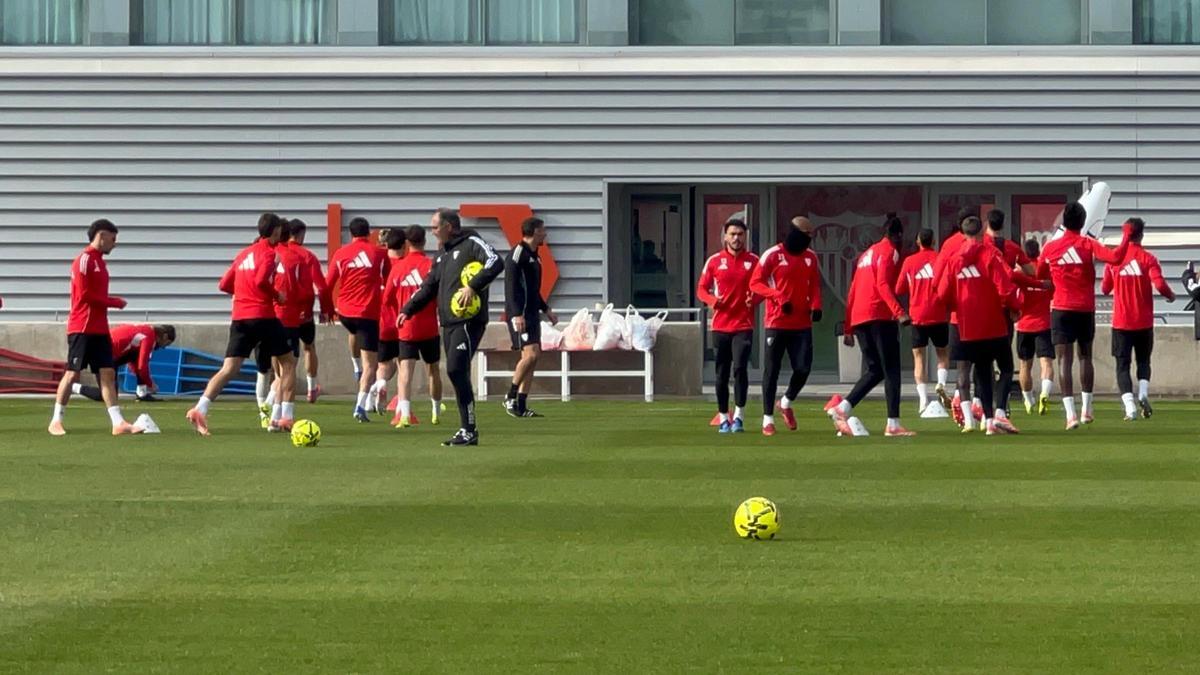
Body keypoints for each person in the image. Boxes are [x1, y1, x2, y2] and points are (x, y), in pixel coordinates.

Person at [186, 213, 296, 436]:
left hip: (240, 317)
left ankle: (200, 408)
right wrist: (277, 296)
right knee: (288, 363)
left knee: (229, 368)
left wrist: (242, 294)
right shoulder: (269, 253)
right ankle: (285, 416)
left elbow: (224, 285)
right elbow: (261, 281)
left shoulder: (243, 254)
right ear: (275, 231)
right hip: (262, 315)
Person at [399, 208, 502, 446]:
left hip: (468, 320)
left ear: (449, 226)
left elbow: (496, 262)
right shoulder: (441, 254)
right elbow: (429, 286)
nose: (432, 232)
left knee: (456, 369)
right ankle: (468, 430)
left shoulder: (472, 243)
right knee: (456, 372)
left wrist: (473, 286)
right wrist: (408, 309)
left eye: (435, 227)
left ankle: (469, 429)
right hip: (448, 323)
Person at [1039, 202, 1133, 430]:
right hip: (1084, 308)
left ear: (1063, 222)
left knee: (1064, 360)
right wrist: (1126, 235)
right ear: (1082, 222)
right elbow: (1116, 258)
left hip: (1061, 307)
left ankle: (1070, 415)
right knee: (1085, 357)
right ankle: (1087, 410)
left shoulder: (1051, 247)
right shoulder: (1088, 244)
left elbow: (1041, 272)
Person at [48, 219, 143, 436]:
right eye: (113, 238)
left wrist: (110, 302)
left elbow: (96, 295)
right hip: (82, 327)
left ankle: (118, 423)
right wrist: (113, 302)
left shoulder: (100, 263)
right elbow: (85, 296)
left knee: (107, 373)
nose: (115, 243)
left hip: (100, 328)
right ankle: (56, 420)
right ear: (101, 235)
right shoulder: (83, 261)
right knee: (72, 374)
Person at [825, 215, 914, 437]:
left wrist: (848, 327)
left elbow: (853, 291)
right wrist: (899, 312)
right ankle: (893, 424)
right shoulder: (889, 252)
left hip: (860, 317)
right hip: (879, 316)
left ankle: (842, 408)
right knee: (892, 369)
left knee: (875, 370)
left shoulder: (866, 255)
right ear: (898, 235)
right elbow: (882, 284)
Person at [936, 216, 1021, 435]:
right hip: (993, 323)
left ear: (962, 234)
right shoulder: (990, 255)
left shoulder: (954, 259)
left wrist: (957, 305)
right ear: (982, 232)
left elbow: (943, 292)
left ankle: (978, 421)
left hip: (966, 324)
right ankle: (995, 416)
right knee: (1002, 369)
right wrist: (1015, 306)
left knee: (972, 371)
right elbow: (1005, 287)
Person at [749, 216, 821, 436]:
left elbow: (815, 285)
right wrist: (779, 297)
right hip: (777, 321)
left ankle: (786, 402)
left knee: (803, 368)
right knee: (772, 370)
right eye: (804, 237)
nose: (807, 242)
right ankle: (767, 419)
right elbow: (755, 283)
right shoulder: (773, 255)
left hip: (801, 323)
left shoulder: (810, 257)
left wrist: (816, 305)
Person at [1100, 217, 1175, 421]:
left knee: (1122, 365)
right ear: (1142, 235)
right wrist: (1171, 296)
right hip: (1143, 322)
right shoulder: (1148, 259)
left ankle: (1129, 406)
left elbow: (1105, 288)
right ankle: (1142, 393)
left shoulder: (1114, 259)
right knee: (1143, 360)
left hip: (1121, 322)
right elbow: (1159, 285)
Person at [696, 218, 759, 433]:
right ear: (725, 237)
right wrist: (713, 301)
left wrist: (755, 300)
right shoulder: (714, 261)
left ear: (745, 237)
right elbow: (701, 290)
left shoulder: (754, 261)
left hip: (743, 325)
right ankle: (724, 417)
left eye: (740, 234)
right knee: (721, 373)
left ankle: (739, 416)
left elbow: (764, 287)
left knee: (740, 368)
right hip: (721, 327)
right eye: (732, 234)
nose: (736, 238)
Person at [326, 216, 390, 422]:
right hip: (366, 313)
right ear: (368, 232)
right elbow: (389, 281)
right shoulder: (379, 254)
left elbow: (328, 284)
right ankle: (360, 406)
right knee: (371, 365)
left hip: (344, 312)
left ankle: (355, 366)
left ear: (351, 233)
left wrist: (326, 308)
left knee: (354, 333)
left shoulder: (340, 253)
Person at [389, 225, 445, 427]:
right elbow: (440, 297)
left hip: (407, 328)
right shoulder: (431, 266)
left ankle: (404, 414)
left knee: (405, 371)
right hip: (429, 326)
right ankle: (436, 411)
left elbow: (387, 298)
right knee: (433, 370)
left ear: (406, 243)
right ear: (424, 241)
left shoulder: (398, 268)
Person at [503, 216, 558, 418]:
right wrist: (516, 313)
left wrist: (546, 309)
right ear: (535, 231)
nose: (545, 234)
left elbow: (533, 290)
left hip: (532, 313)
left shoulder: (536, 256)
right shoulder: (517, 255)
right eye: (543, 230)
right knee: (531, 354)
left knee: (533, 358)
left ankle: (522, 404)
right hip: (520, 315)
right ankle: (510, 396)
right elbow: (511, 287)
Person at [895, 227, 951, 413]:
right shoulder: (941, 259)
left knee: (919, 357)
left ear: (918, 242)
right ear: (934, 242)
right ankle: (941, 384)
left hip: (917, 316)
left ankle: (923, 400)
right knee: (942, 354)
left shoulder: (909, 261)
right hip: (939, 314)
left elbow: (899, 288)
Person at [72, 324, 176, 403]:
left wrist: (144, 379)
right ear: (165, 336)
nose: (163, 347)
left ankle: (141, 393)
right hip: (102, 355)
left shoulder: (145, 331)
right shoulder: (148, 336)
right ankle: (72, 387)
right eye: (166, 343)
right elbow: (142, 366)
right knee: (107, 395)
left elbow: (134, 360)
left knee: (136, 356)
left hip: (108, 353)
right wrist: (150, 384)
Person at [287, 219, 330, 403]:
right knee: (308, 347)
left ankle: (280, 385)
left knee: (283, 352)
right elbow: (322, 285)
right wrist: (326, 309)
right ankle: (311, 389)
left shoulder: (277, 252)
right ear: (300, 234)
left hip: (282, 308)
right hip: (304, 309)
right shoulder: (307, 256)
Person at [369, 228, 408, 416]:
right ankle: (402, 403)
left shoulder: (379, 264)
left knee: (383, 364)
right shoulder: (407, 265)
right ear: (404, 244)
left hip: (382, 321)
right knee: (403, 364)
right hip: (403, 322)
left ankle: (381, 384)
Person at [1015, 240, 1055, 415]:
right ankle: (1045, 393)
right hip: (1044, 323)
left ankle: (1028, 399)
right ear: (1038, 251)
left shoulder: (1021, 272)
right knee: (1046, 362)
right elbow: (1052, 292)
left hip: (1024, 325)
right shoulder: (1046, 272)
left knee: (1025, 365)